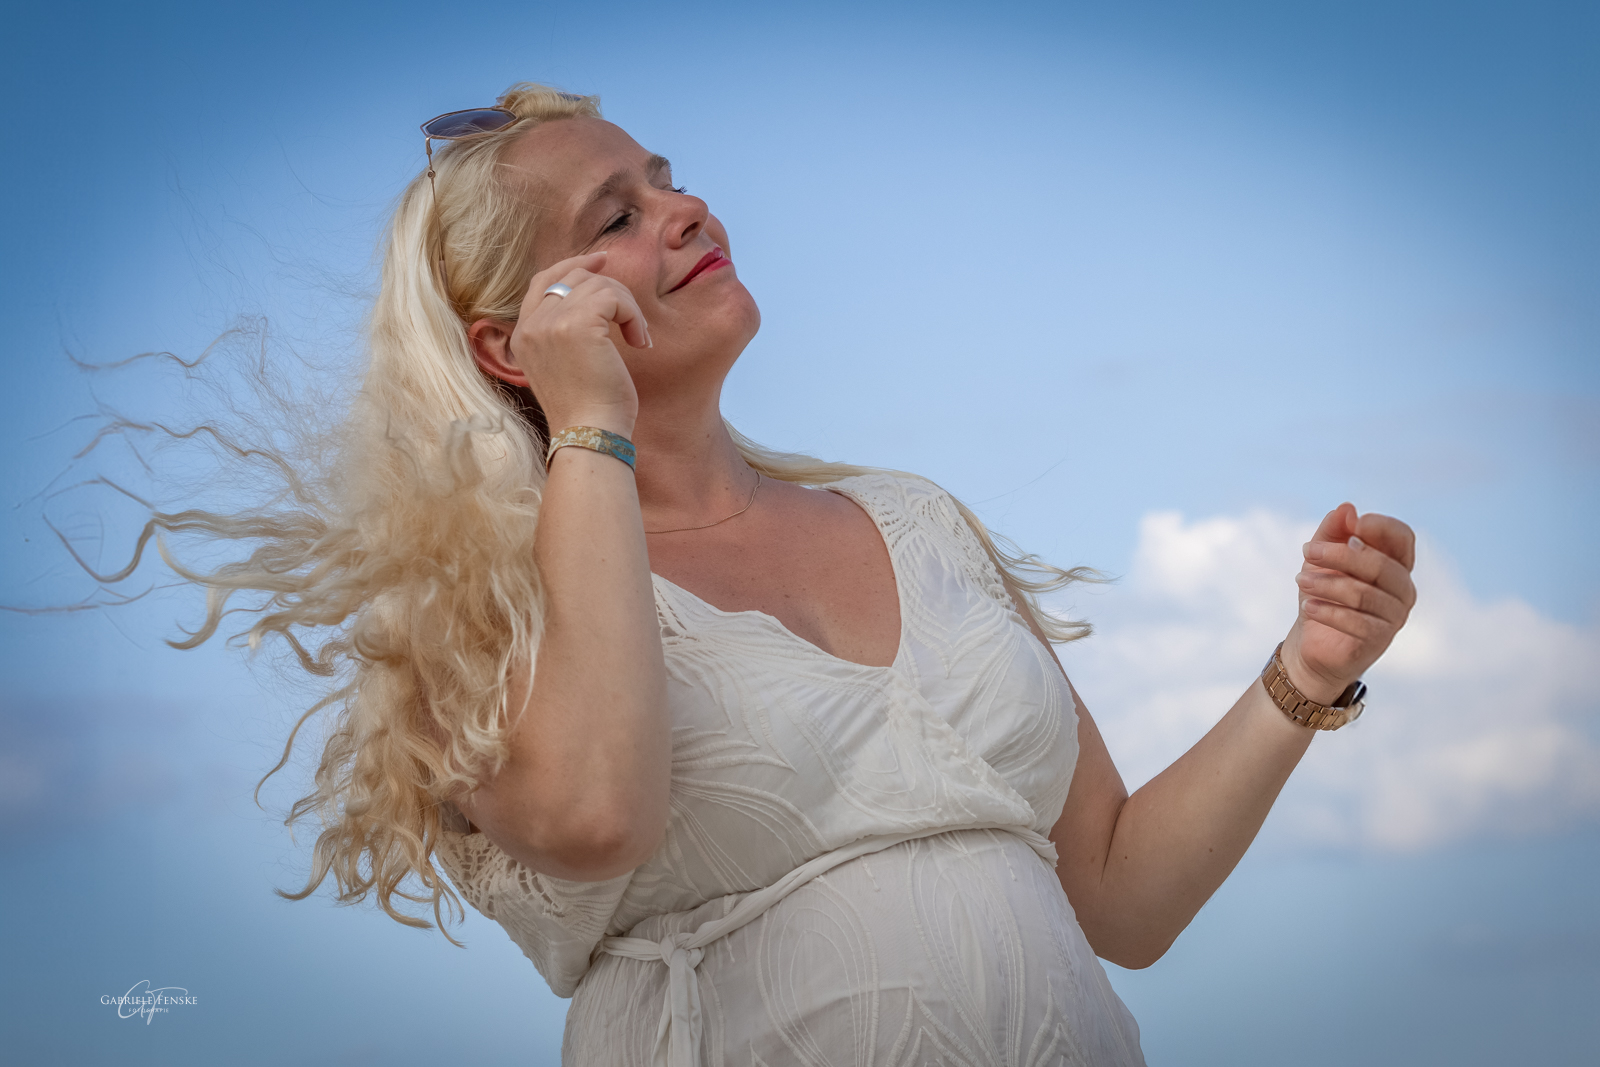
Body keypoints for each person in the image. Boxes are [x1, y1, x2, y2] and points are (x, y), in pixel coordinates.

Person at [127, 83, 1416, 1065]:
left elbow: (1122, 902)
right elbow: (591, 818)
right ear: (511, 344)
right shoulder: (474, 604)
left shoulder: (913, 516)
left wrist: (1305, 674)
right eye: (614, 218)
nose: (685, 212)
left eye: (667, 182)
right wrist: (593, 433)